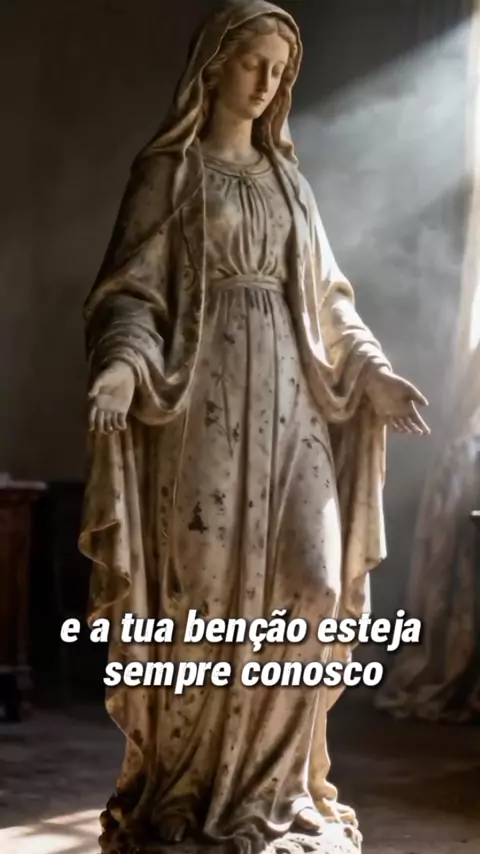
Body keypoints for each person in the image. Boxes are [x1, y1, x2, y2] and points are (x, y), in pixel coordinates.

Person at [79, 2, 430, 852]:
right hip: (199, 407)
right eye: (253, 63)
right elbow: (131, 293)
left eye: (281, 69)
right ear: (213, 66)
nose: (269, 82)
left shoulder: (290, 184)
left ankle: (280, 789)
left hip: (295, 401)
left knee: (314, 584)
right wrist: (122, 365)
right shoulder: (170, 174)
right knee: (198, 596)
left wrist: (372, 371)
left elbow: (331, 305)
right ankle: (188, 791)